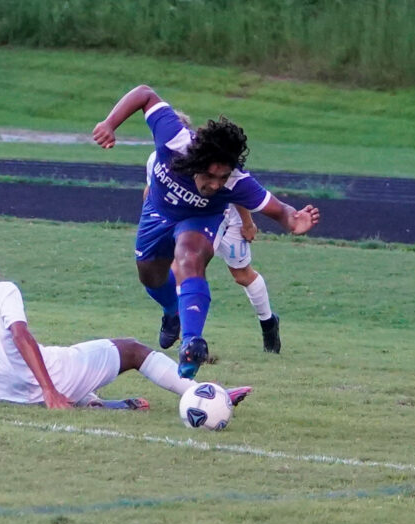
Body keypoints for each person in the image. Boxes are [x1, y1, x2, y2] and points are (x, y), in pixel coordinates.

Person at [0, 233, 252, 410]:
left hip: (3, 397)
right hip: (45, 383)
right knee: (131, 349)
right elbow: (21, 335)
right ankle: (204, 395)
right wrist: (50, 391)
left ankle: (98, 404)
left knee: (73, 357)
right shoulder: (2, 291)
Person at [93, 85, 317, 377]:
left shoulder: (237, 182)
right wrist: (110, 124)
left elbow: (279, 209)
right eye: (210, 176)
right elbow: (145, 94)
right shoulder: (174, 139)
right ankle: (173, 311)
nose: (215, 184)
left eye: (221, 178)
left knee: (190, 257)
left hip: (200, 219)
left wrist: (293, 221)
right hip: (157, 213)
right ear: (196, 161)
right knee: (150, 276)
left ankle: (191, 344)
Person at [144, 115, 281, 354]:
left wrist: (247, 222)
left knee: (242, 275)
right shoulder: (156, 159)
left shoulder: (211, 162)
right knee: (181, 267)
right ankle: (188, 338)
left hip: (229, 219)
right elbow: (152, 191)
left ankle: (268, 322)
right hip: (190, 222)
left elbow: (238, 191)